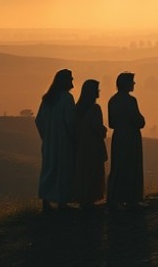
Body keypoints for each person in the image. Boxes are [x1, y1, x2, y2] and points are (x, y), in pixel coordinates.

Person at [35, 69, 77, 212]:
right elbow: (71, 121)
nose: (72, 82)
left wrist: (46, 137)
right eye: (70, 79)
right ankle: (62, 202)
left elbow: (39, 120)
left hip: (49, 143)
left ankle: (46, 201)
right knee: (63, 171)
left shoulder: (47, 99)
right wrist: (74, 137)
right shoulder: (67, 98)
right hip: (63, 143)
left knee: (49, 170)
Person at [107, 72, 146, 209]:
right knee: (131, 167)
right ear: (126, 84)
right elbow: (139, 121)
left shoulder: (112, 100)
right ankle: (132, 198)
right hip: (131, 137)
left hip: (118, 137)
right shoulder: (130, 101)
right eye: (132, 82)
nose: (134, 84)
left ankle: (115, 198)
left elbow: (111, 123)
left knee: (118, 167)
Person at [72, 79, 108, 210]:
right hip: (94, 145)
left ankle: (83, 198)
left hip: (81, 145)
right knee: (93, 171)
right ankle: (90, 199)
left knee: (83, 171)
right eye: (97, 90)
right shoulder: (95, 108)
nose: (99, 92)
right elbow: (96, 127)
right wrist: (104, 130)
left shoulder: (77, 109)